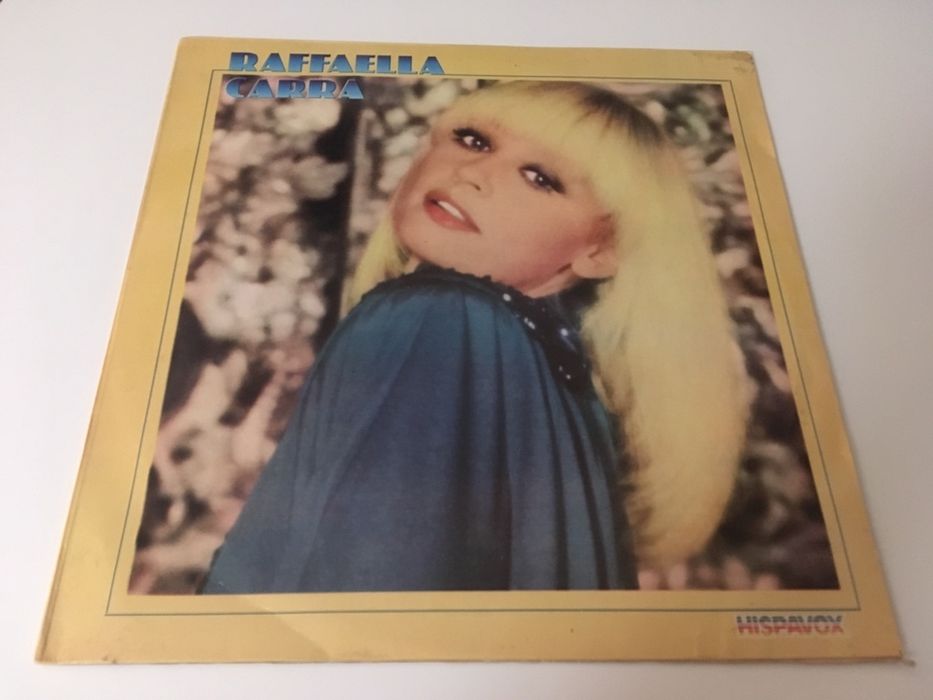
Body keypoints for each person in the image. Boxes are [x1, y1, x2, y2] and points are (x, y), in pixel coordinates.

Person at [200, 80, 749, 593]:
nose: (473, 173)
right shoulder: (564, 378)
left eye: (540, 178)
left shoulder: (438, 317)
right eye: (474, 140)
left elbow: (372, 602)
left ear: (600, 252)